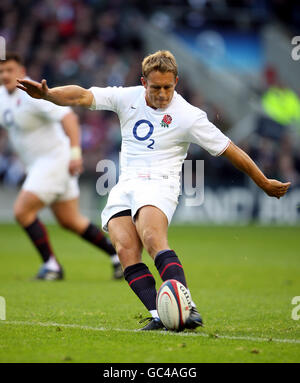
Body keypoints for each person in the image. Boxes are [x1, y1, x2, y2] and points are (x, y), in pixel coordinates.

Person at [17, 50, 291, 330]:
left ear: (176, 83)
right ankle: (161, 315)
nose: (162, 94)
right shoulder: (128, 97)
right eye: (155, 87)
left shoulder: (189, 116)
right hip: (126, 184)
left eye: (168, 87)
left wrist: (262, 181)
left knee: (151, 237)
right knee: (125, 250)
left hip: (161, 182)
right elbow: (83, 96)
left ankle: (187, 307)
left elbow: (230, 149)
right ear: (143, 82)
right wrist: (50, 95)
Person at [0, 53, 123, 281]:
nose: (5, 75)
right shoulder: (2, 98)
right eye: (1, 71)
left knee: (22, 211)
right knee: (70, 220)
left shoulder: (31, 95)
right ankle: (119, 256)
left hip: (55, 160)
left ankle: (51, 266)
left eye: (10, 70)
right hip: (40, 164)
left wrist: (76, 153)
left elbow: (69, 118)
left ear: (22, 71)